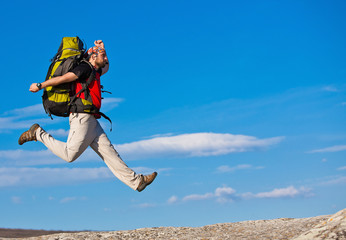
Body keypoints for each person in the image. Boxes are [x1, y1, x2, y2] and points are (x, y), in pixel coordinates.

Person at [18, 40, 157, 192]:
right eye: (102, 56)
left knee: (110, 154)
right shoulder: (84, 68)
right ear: (92, 56)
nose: (105, 59)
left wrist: (103, 49)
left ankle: (137, 181)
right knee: (69, 155)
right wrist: (41, 85)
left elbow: (107, 67)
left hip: (91, 119)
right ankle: (37, 133)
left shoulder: (95, 71)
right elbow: (64, 78)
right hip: (81, 117)